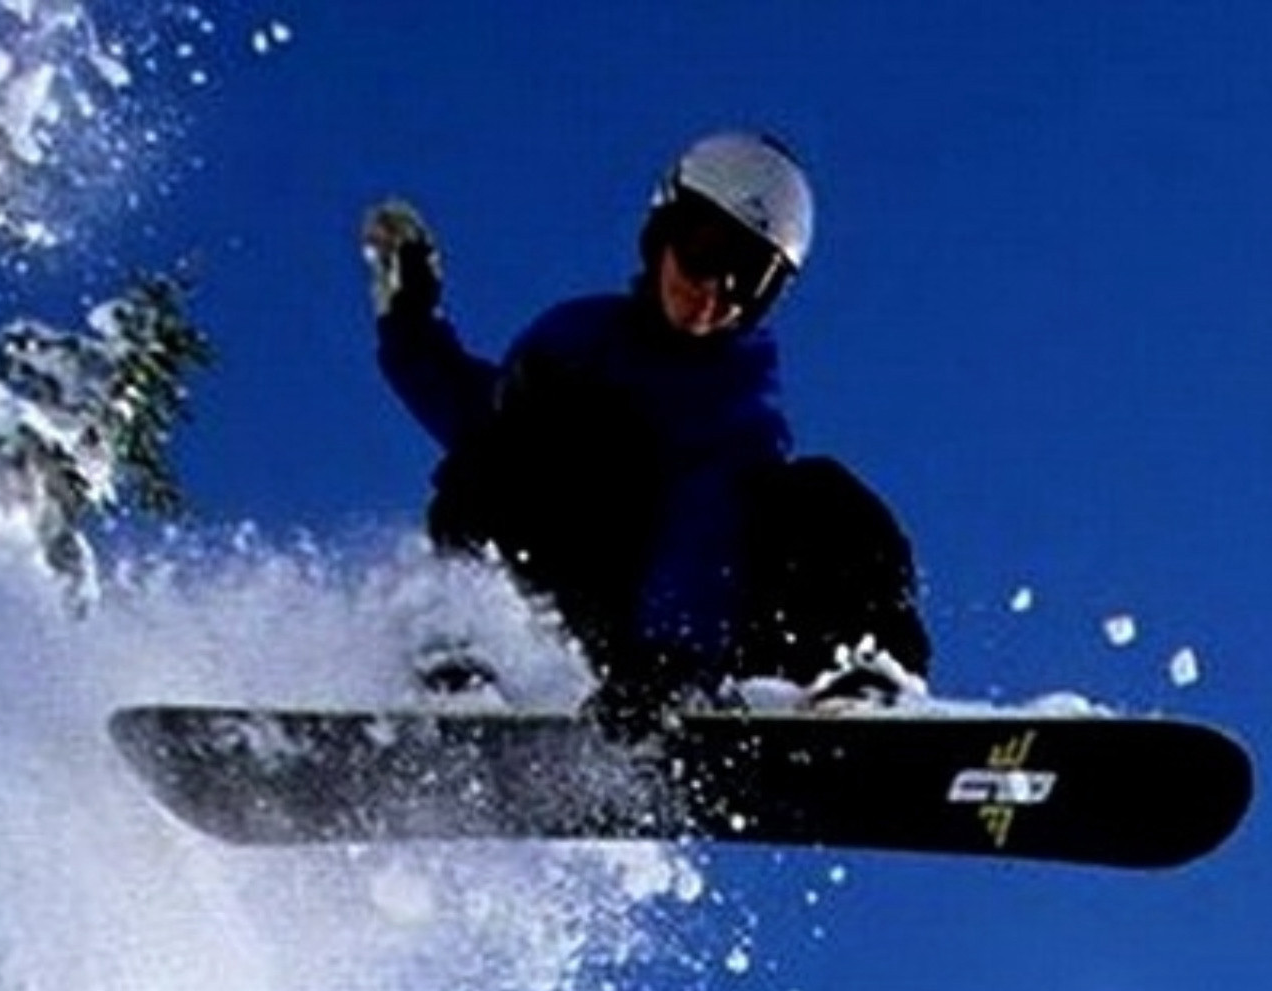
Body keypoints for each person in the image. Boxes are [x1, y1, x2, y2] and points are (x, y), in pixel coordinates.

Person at [366, 130, 932, 715]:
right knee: (516, 444)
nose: (714, 293)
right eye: (704, 254)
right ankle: (464, 677)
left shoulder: (734, 388)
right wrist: (410, 323)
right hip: (579, 613)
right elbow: (483, 427)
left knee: (824, 497)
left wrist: (671, 659)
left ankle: (863, 692)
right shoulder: (576, 337)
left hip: (699, 641)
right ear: (662, 233)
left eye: (749, 278)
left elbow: (706, 520)